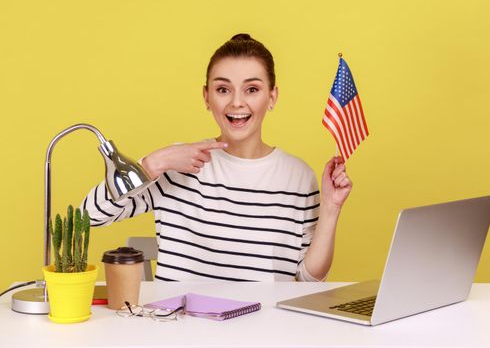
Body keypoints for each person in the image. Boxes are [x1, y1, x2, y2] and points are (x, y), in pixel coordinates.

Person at [82, 33, 352, 282]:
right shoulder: (177, 164)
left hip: (263, 331)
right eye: (223, 89)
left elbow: (306, 280)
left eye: (252, 89)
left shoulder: (298, 176)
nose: (237, 102)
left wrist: (330, 208)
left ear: (272, 97)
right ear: (207, 97)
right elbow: (89, 217)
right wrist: (154, 163)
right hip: (181, 329)